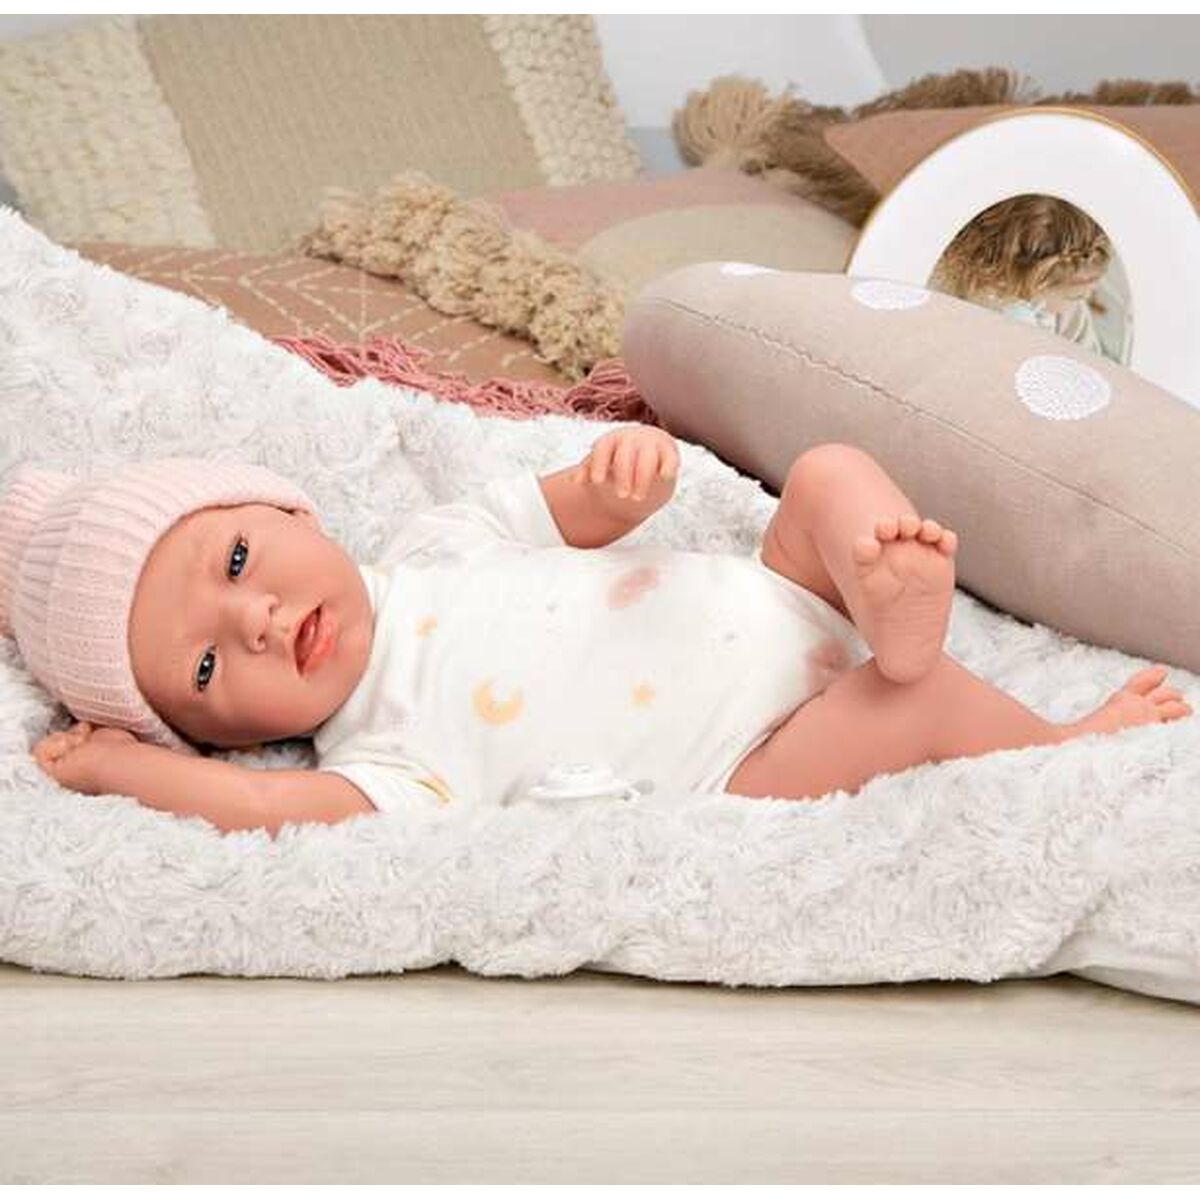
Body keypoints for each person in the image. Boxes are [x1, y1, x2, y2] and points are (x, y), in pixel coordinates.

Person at [2, 430, 1189, 837]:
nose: (258, 621)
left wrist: (621, 482)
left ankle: (888, 596)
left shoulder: (435, 541)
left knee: (830, 474)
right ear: (214, 735)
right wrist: (125, 769)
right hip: (756, 748)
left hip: (778, 601)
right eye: (208, 665)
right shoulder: (385, 759)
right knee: (909, 700)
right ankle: (1042, 734)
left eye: (237, 563)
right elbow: (260, 815)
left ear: (284, 509)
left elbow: (577, 507)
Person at [931, 193, 1114, 359]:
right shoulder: (954, 295)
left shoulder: (1070, 315)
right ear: (1036, 285)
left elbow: (1091, 364)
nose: (1087, 297)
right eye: (1076, 296)